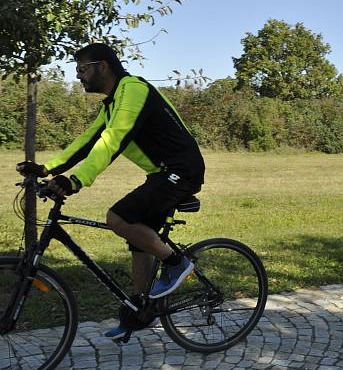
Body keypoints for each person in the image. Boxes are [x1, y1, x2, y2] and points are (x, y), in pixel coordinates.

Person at [16, 43, 205, 340]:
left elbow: (113, 140)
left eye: (82, 69)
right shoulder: (113, 102)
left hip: (182, 171)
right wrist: (46, 169)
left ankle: (177, 263)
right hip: (162, 173)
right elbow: (89, 140)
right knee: (137, 236)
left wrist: (75, 181)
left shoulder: (133, 90)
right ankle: (137, 312)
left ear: (102, 66)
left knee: (118, 218)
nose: (79, 77)